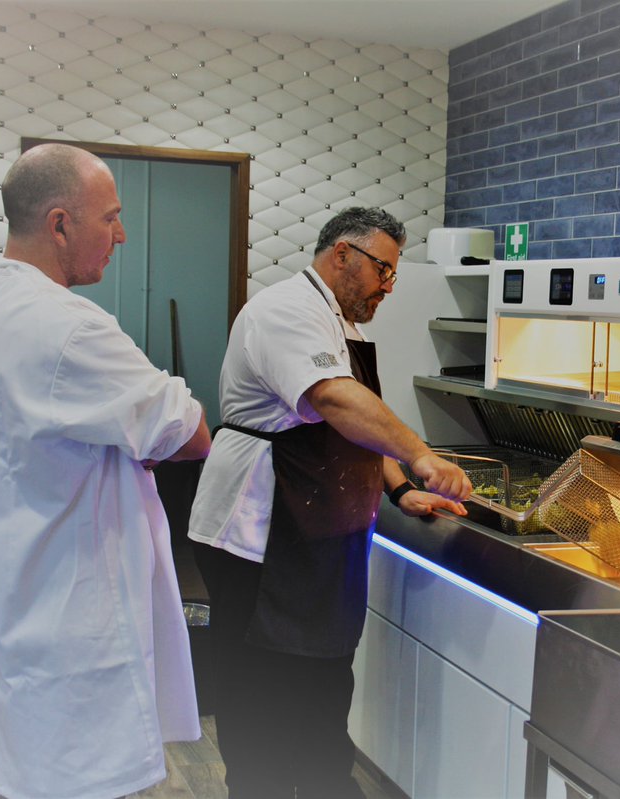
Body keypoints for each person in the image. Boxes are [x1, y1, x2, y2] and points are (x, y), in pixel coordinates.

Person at [0, 142, 212, 799]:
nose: (121, 235)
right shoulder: (67, 328)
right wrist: (143, 437)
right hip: (67, 633)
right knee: (63, 775)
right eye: (110, 218)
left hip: (14, 605)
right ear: (61, 223)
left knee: (16, 767)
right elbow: (192, 431)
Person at [187, 206, 472, 797]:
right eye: (383, 270)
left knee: (320, 697)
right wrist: (423, 456)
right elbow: (337, 402)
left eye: (394, 275)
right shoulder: (284, 312)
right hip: (260, 536)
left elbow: (355, 429)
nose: (388, 286)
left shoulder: (342, 324)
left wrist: (400, 489)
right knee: (262, 700)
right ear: (342, 253)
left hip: (315, 542)